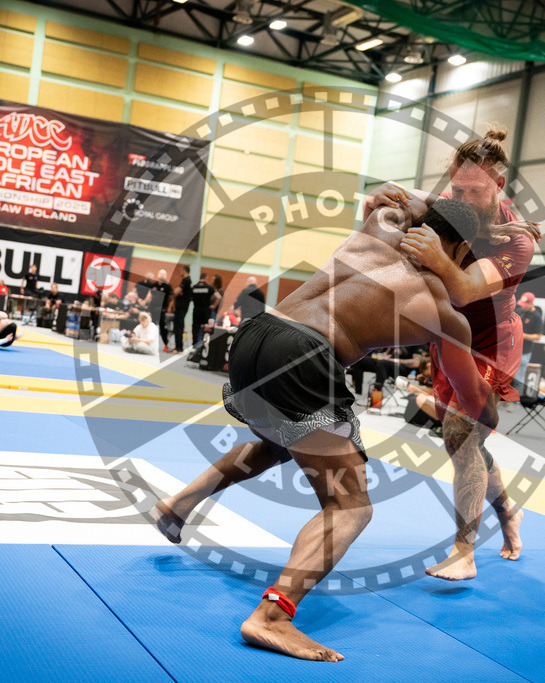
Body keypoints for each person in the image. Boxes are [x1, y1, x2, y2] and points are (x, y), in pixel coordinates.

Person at [154, 198, 494, 662]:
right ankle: (273, 616)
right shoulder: (444, 312)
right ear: (459, 252)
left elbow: (396, 195)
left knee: (275, 442)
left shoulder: (382, 225)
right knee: (350, 506)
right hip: (303, 354)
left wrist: (435, 209)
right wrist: (493, 398)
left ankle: (178, 506)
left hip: (257, 335)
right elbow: (473, 404)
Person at [371, 126, 542, 579]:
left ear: (499, 186)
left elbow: (464, 290)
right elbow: (379, 201)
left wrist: (438, 257)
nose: (463, 198)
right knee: (462, 443)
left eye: (476, 191)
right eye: (457, 188)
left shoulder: (519, 240)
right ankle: (508, 510)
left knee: (460, 435)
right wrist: (378, 198)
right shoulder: (447, 204)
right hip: (449, 339)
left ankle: (464, 551)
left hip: (491, 344)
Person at [190, 272, 214, 350]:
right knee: (205, 328)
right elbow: (218, 297)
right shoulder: (209, 288)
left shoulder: (194, 287)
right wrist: (213, 305)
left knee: (195, 327)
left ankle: (194, 344)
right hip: (205, 310)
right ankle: (203, 346)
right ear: (206, 278)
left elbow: (190, 298)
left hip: (196, 309)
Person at [172, 266, 192, 353]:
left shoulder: (186, 280)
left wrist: (176, 292)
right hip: (181, 307)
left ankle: (179, 348)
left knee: (179, 327)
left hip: (182, 307)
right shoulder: (186, 280)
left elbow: (176, 291)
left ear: (184, 271)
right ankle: (178, 347)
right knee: (178, 327)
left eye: (181, 270)